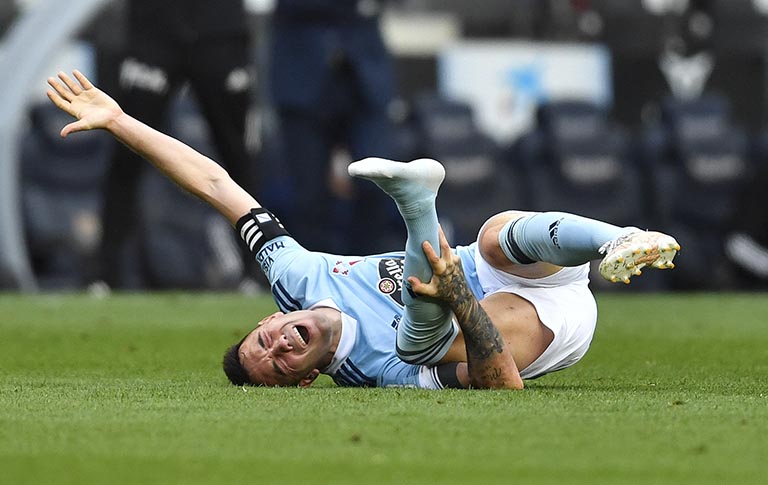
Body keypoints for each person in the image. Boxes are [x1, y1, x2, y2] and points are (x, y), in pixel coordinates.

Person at [46, 71, 680, 389]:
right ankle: (417, 212)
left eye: (261, 341)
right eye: (278, 365)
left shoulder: (294, 278)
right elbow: (501, 384)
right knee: (420, 348)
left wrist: (120, 120)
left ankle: (614, 239)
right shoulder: (374, 373)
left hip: (511, 266)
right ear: (305, 377)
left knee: (491, 234)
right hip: (538, 326)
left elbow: (217, 186)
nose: (278, 347)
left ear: (265, 320)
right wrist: (458, 298)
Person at [94, 0, 258, 289]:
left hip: (219, 29)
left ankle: (255, 271)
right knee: (125, 148)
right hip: (156, 29)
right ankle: (105, 274)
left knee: (237, 155)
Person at [268, 0, 404, 254]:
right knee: (308, 197)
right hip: (301, 72)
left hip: (364, 74)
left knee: (377, 184)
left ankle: (368, 272)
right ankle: (314, 279)